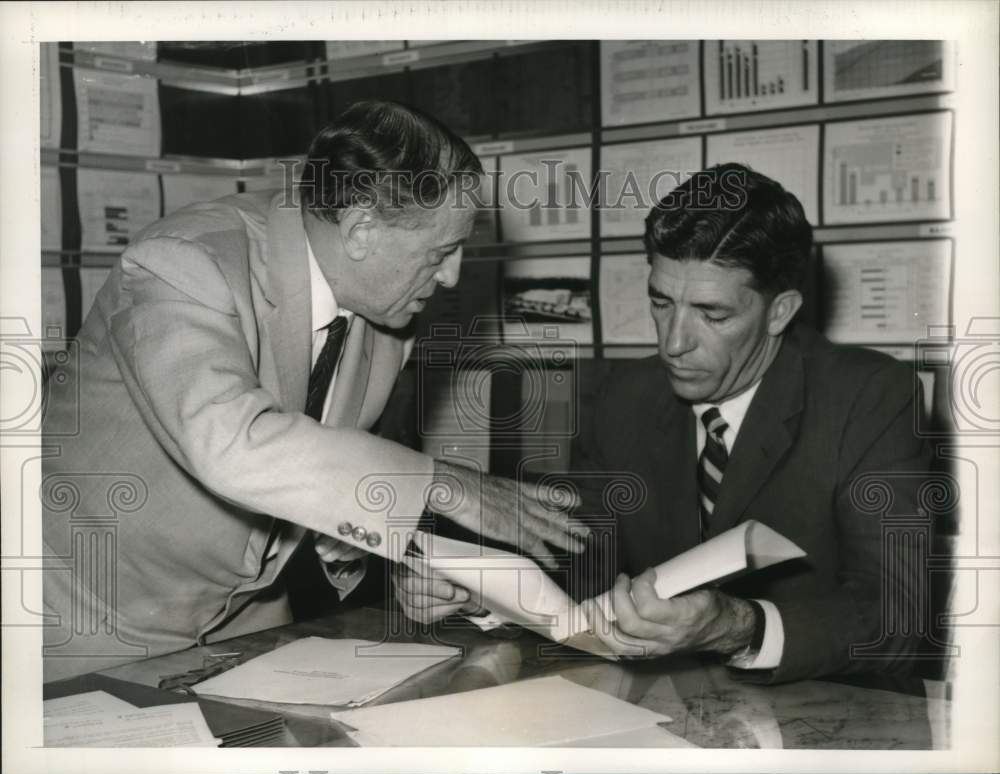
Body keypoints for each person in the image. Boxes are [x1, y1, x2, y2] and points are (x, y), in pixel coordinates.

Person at [41, 100, 584, 682]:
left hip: (248, 613)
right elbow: (232, 444)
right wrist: (445, 485)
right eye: (440, 252)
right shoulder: (185, 261)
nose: (452, 276)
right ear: (360, 232)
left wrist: (408, 564)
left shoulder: (388, 315)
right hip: (87, 613)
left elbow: (321, 474)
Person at [400, 163, 933, 685]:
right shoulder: (626, 398)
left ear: (780, 312)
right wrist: (481, 593)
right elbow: (583, 565)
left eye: (712, 314)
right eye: (660, 302)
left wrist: (736, 627)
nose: (673, 342)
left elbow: (898, 619)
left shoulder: (870, 398)